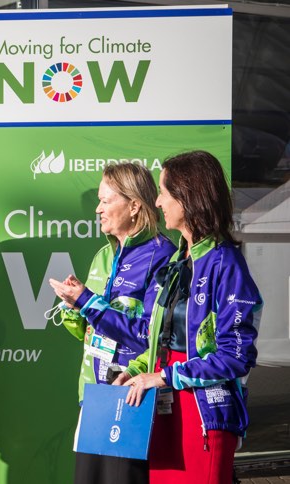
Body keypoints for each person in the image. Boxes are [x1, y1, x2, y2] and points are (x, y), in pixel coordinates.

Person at [117, 151, 262, 484]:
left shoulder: (226, 263)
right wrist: (138, 371)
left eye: (164, 192)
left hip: (203, 415)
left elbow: (235, 357)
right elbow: (157, 335)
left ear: (188, 197)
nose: (157, 201)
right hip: (166, 412)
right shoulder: (178, 262)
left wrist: (165, 377)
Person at [48, 163, 176, 484]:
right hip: (94, 397)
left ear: (134, 206)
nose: (98, 209)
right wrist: (73, 309)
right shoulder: (103, 256)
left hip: (132, 396)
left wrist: (135, 371)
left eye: (106, 201)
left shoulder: (162, 257)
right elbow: (85, 331)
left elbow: (156, 336)